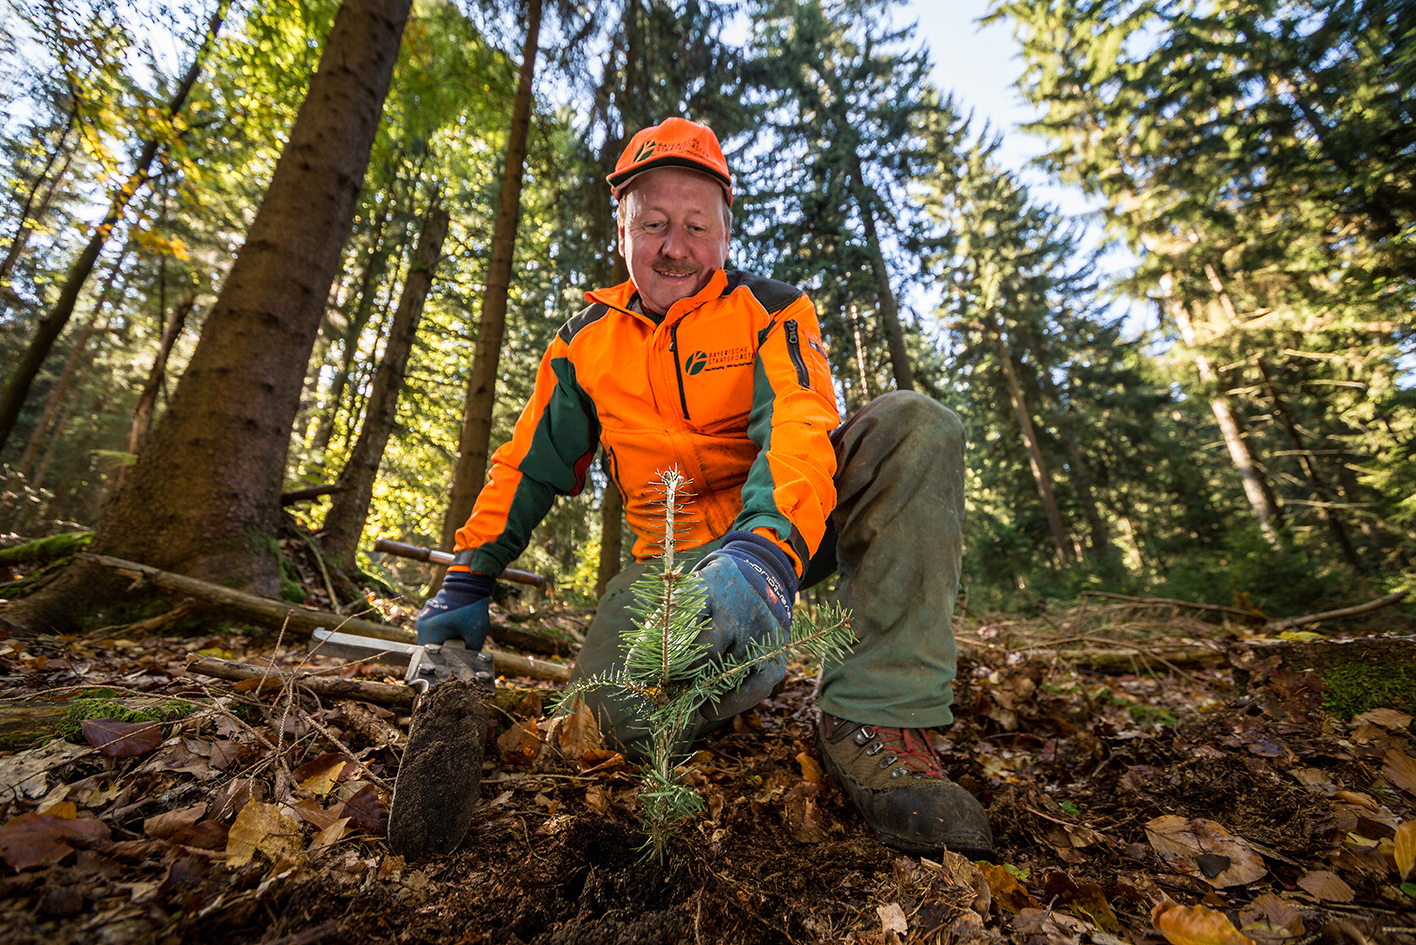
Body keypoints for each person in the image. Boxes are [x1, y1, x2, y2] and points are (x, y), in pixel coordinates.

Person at [418, 118, 994, 861]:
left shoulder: (773, 307)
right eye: (653, 222)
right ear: (621, 229)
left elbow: (799, 418)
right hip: (674, 560)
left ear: (724, 233)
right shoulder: (580, 343)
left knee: (914, 425)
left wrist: (765, 550)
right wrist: (467, 578)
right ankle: (724, 673)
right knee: (617, 714)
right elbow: (526, 465)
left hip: (788, 526)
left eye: (696, 224)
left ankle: (874, 715)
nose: (674, 245)